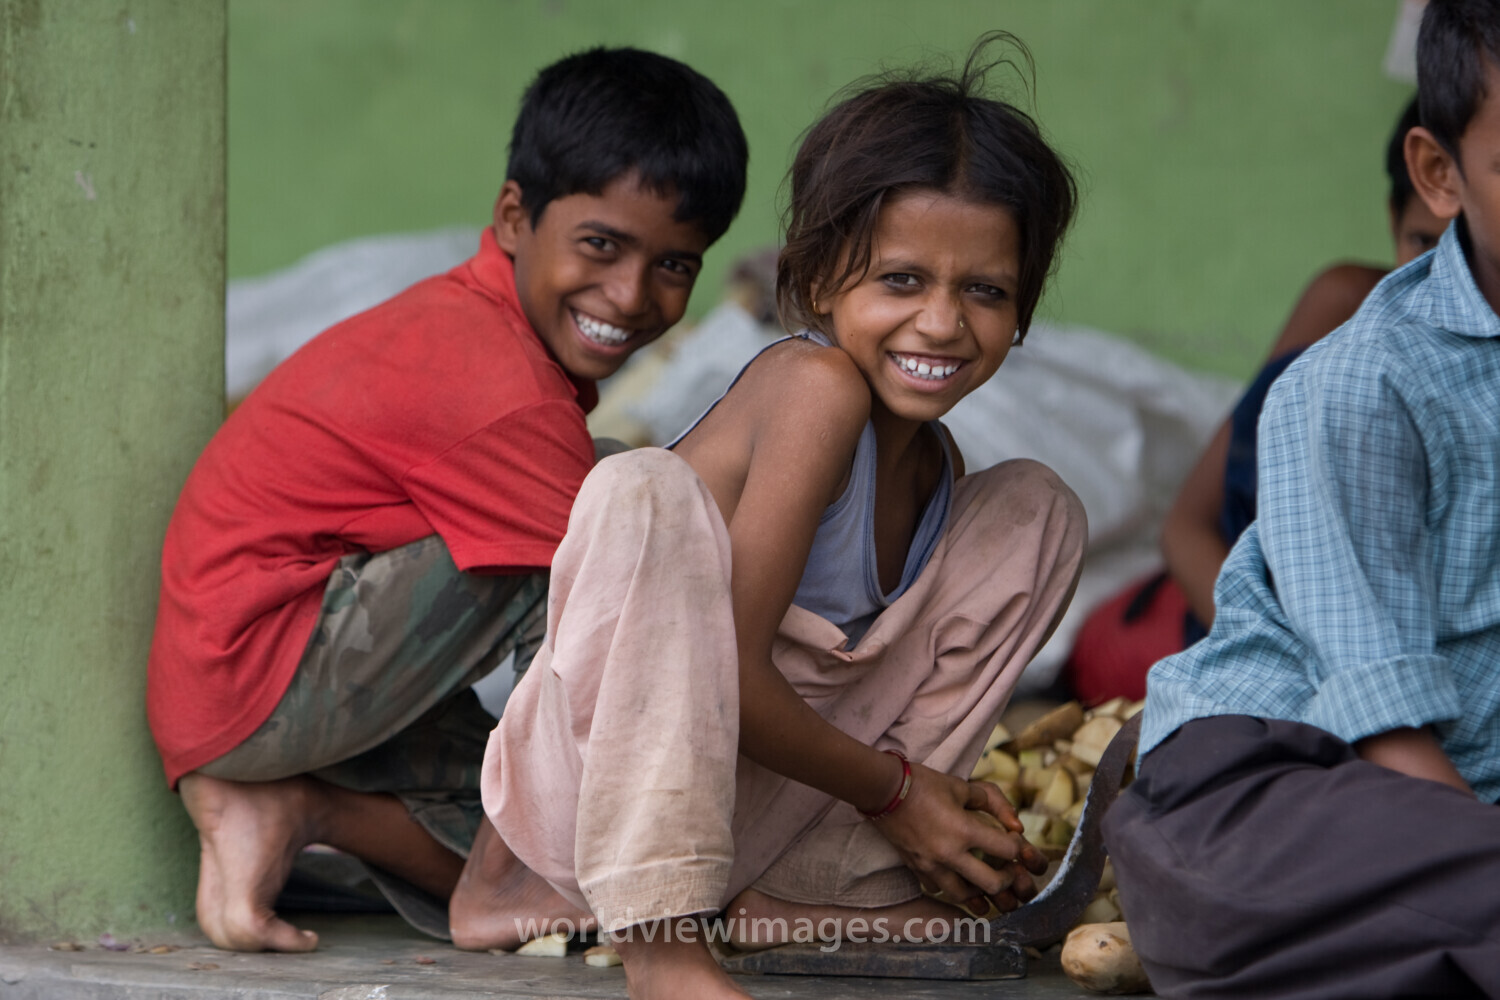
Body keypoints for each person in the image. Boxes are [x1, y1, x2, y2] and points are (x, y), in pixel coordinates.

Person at [477, 35, 1086, 1000]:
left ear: (1024, 308)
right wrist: (898, 792)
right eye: (901, 280)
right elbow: (730, 672)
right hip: (600, 810)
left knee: (1038, 510)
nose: (942, 323)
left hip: (749, 819)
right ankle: (661, 941)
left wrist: (914, 807)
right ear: (820, 278)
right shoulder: (814, 388)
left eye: (985, 291)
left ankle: (811, 891)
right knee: (644, 488)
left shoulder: (936, 466)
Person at [145, 47, 748, 953]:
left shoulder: (489, 333)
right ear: (513, 217)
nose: (630, 295)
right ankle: (486, 876)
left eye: (673, 265)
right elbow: (635, 614)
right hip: (260, 668)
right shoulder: (496, 384)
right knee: (619, 512)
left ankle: (297, 812)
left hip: (253, 687)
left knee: (595, 853)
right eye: (600, 245)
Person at [1105, 1, 1500, 994]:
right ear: (1440, 174)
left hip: (1448, 835)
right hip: (1261, 798)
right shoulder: (1363, 383)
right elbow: (1381, 723)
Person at [1063, 95, 1447, 705]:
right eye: (1422, 242)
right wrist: (1276, 662)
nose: (1440, 283)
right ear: (1392, 216)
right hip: (1219, 624)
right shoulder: (1345, 303)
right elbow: (1187, 527)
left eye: (1474, 255)